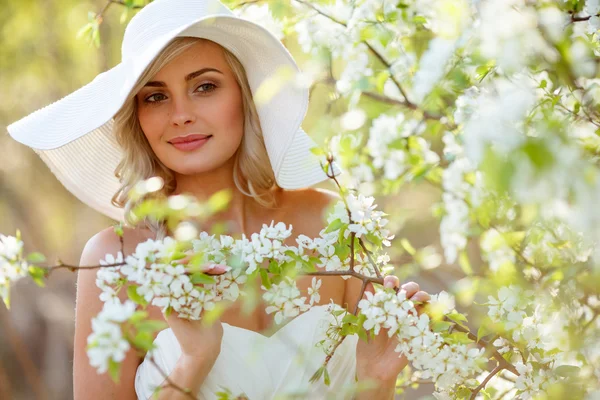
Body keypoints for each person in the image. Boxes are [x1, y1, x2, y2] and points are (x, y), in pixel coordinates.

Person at [7, 0, 430, 399]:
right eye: (155, 96)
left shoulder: (332, 223)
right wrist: (192, 361)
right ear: (137, 117)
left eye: (205, 86)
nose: (180, 114)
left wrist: (376, 381)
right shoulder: (118, 263)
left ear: (244, 97)